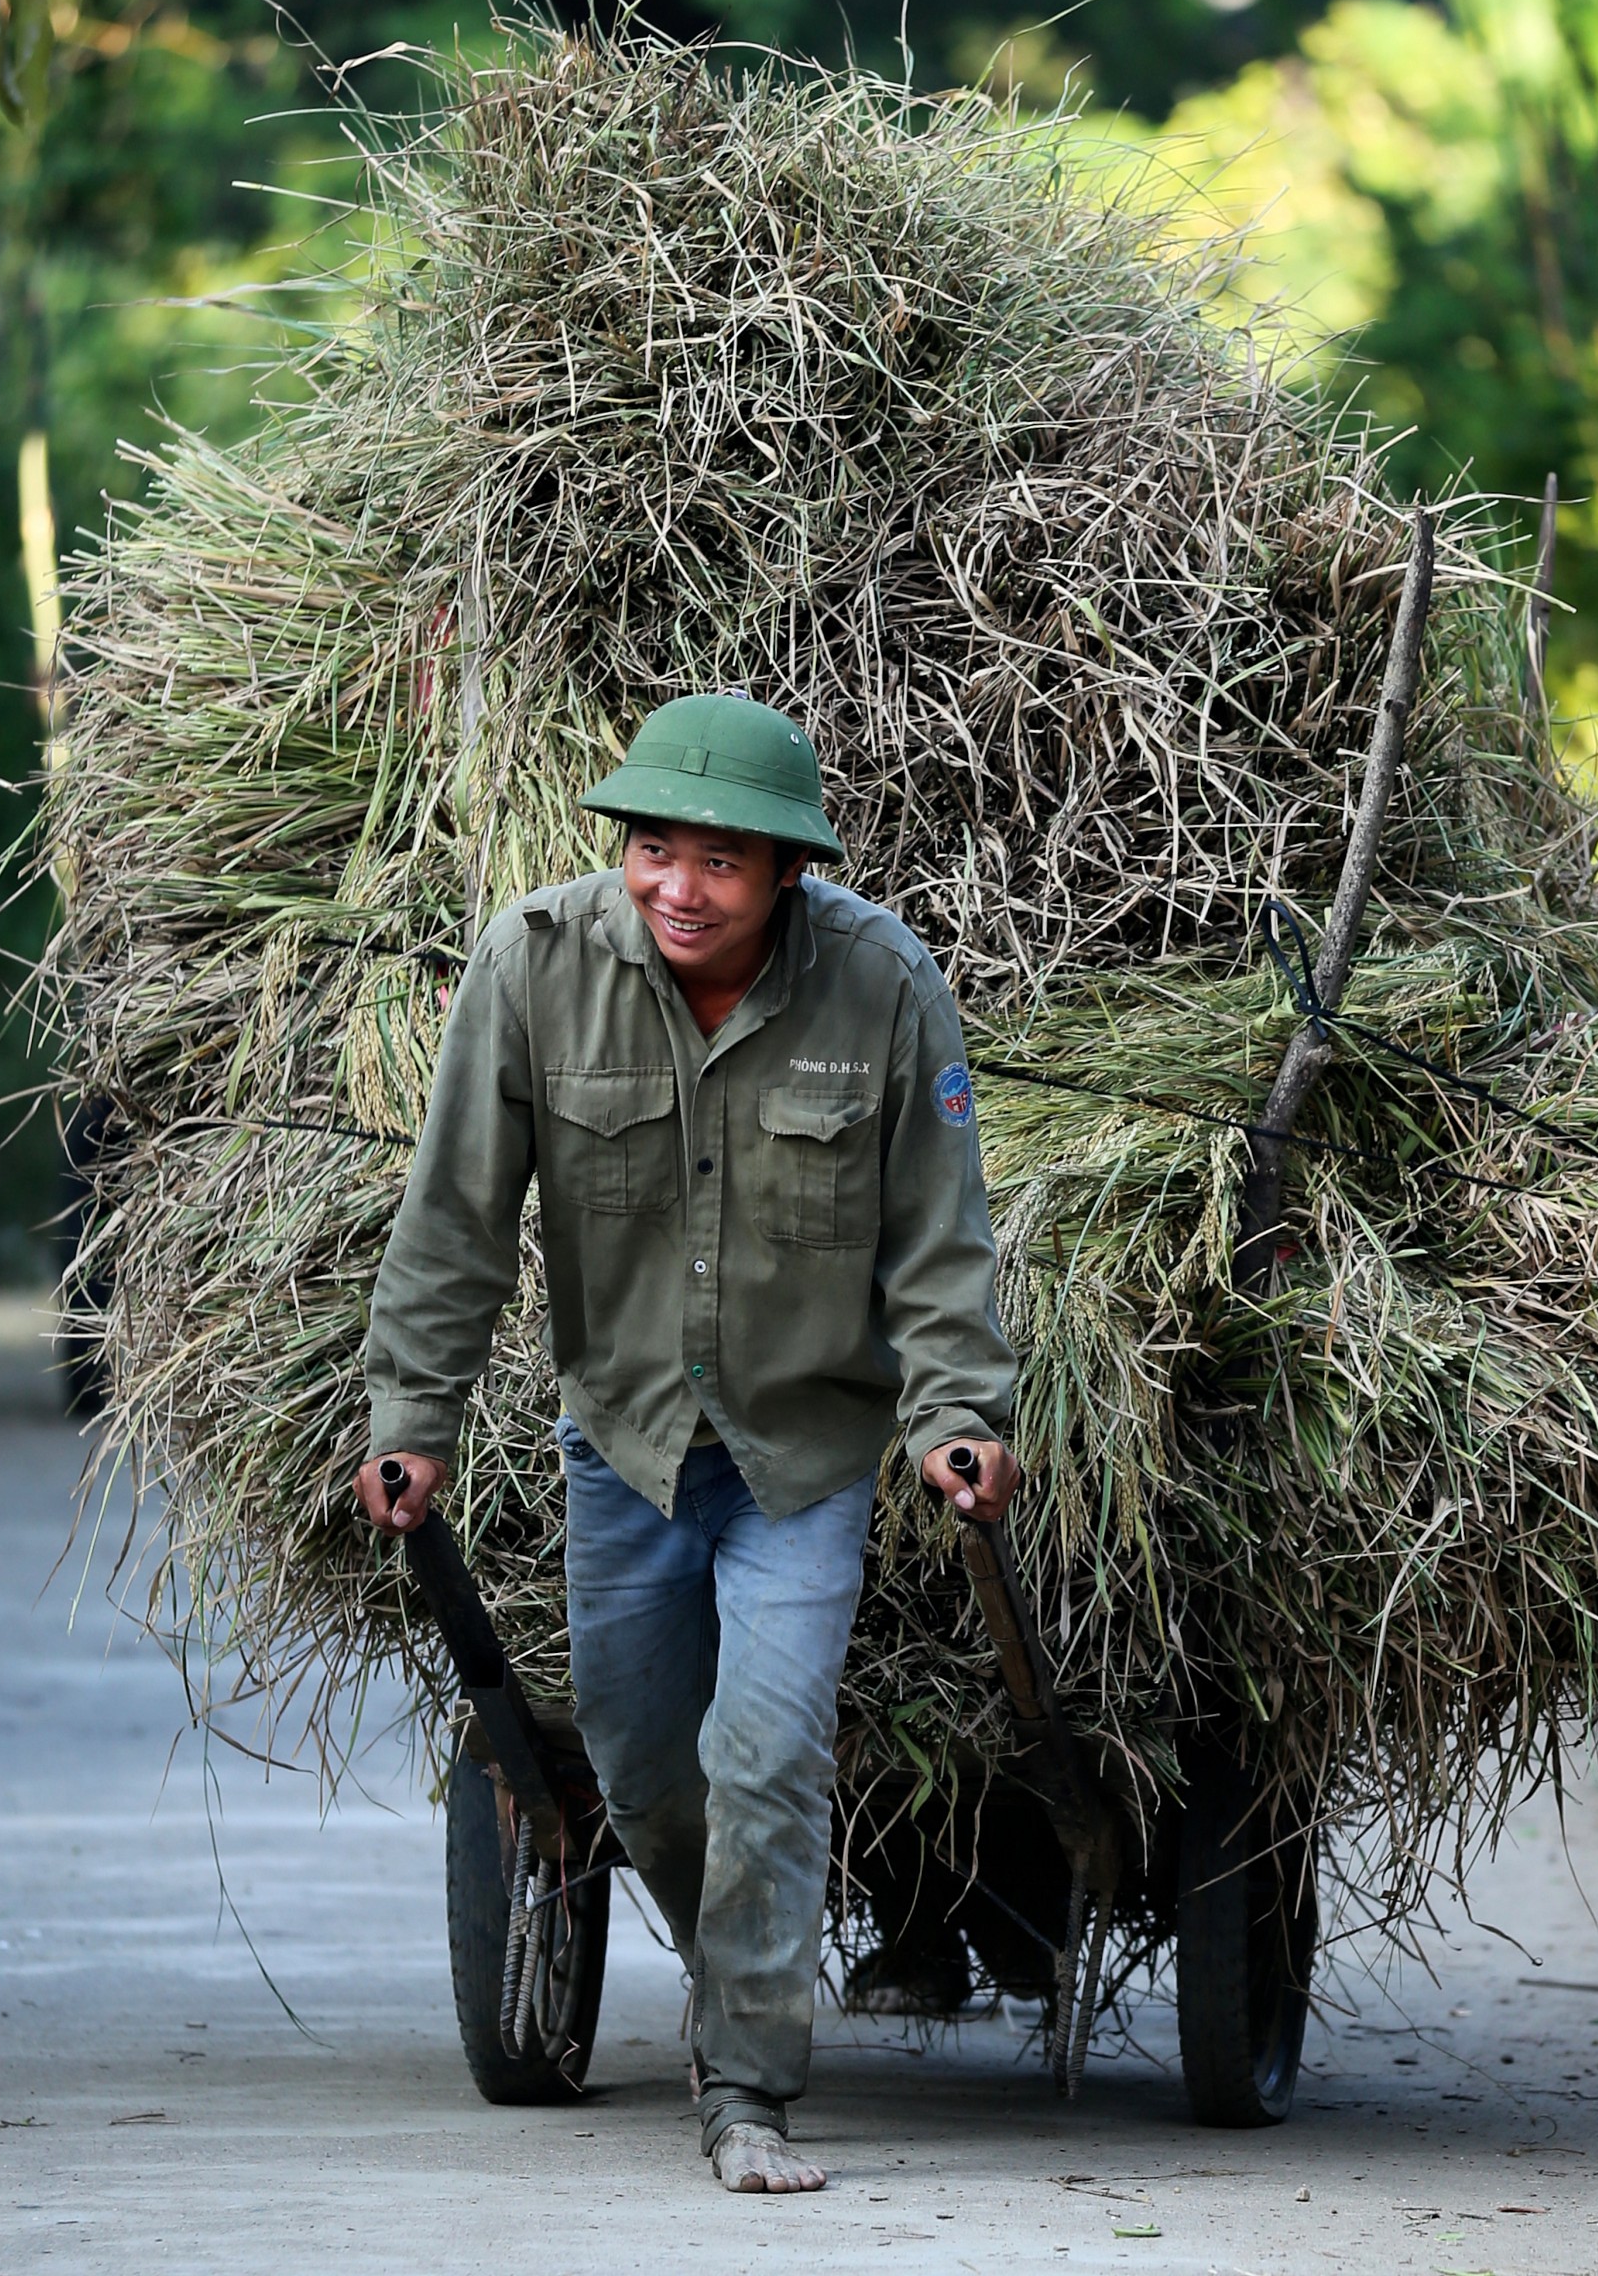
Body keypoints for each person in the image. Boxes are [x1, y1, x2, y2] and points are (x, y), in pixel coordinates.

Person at [354, 692, 1020, 2195]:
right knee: (649, 1773)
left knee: (768, 1751)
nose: (679, 887)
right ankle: (738, 1969)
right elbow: (455, 1217)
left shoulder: (881, 984)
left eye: (721, 861)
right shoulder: (535, 967)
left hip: (802, 1454)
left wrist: (961, 1416)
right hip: (630, 1444)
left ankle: (749, 2090)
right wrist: (414, 1418)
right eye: (653, 849)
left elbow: (938, 1241)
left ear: (789, 873)